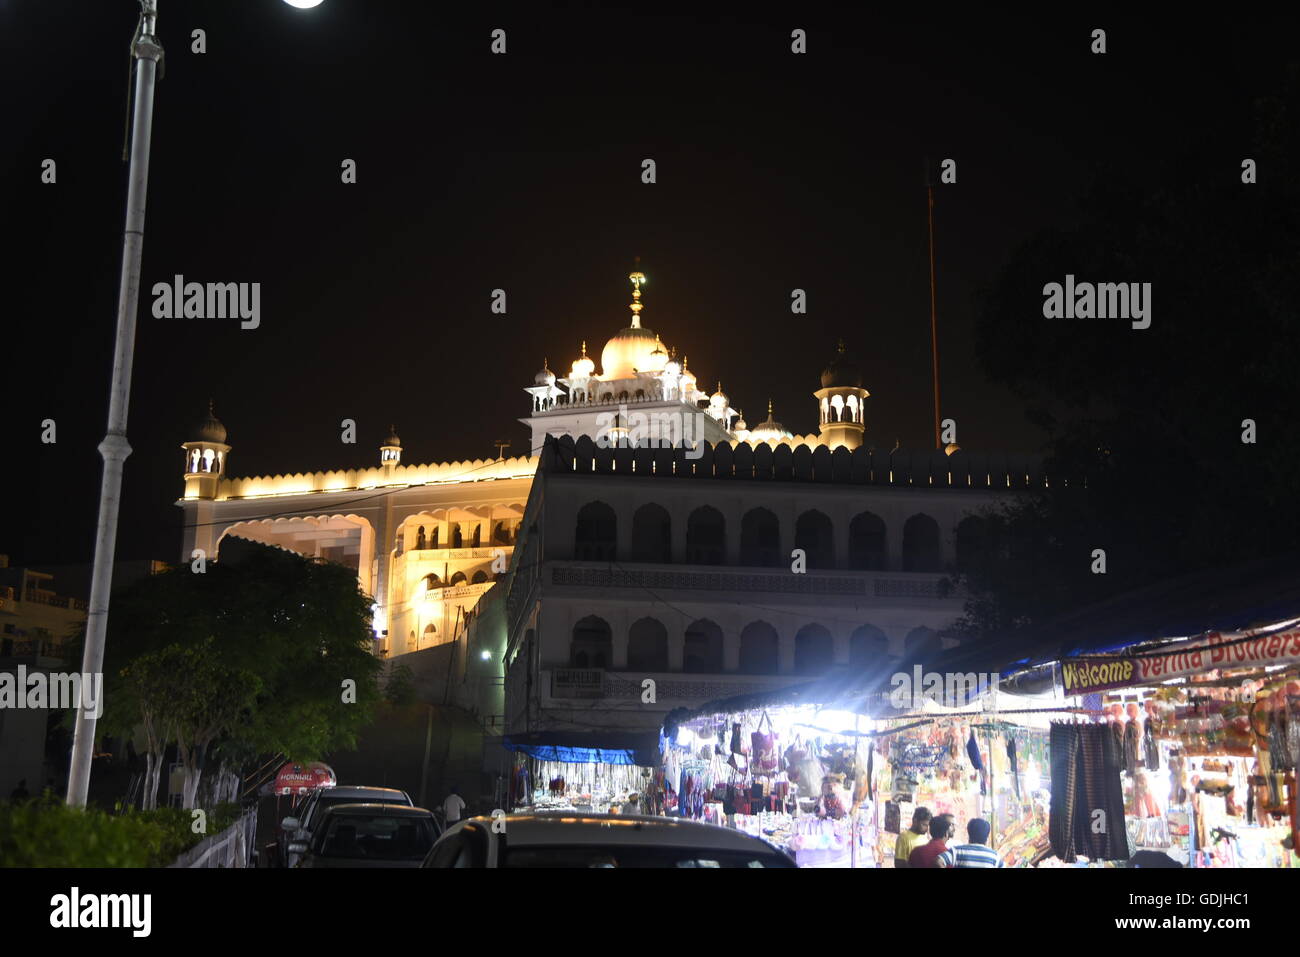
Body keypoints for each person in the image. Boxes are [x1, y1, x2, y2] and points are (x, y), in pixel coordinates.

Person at [938, 817, 1003, 868]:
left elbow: (938, 861)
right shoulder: (995, 856)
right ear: (987, 836)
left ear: (969, 833)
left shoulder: (957, 851)